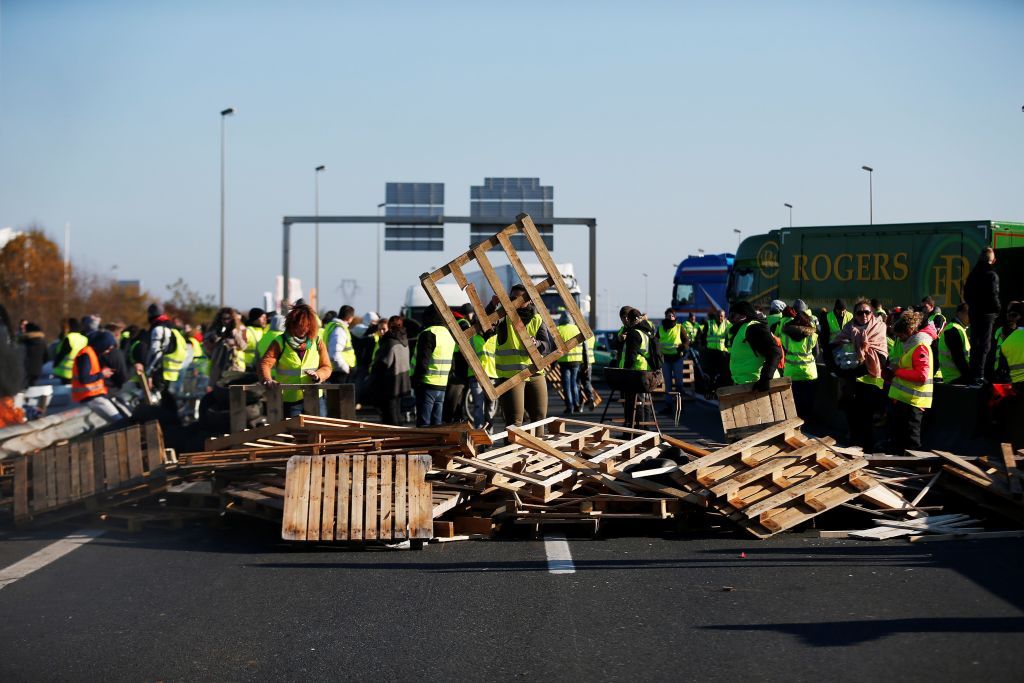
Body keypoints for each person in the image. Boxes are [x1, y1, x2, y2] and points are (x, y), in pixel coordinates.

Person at [488, 284, 555, 427]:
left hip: (536, 373)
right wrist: (492, 305)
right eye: (512, 298)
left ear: (529, 300)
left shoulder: (537, 319)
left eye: (520, 298)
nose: (515, 301)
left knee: (539, 417)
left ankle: (537, 448)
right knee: (515, 420)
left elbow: (547, 346)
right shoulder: (503, 316)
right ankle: (513, 449)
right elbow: (486, 324)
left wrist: (537, 343)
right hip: (512, 376)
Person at [831, 300, 889, 452]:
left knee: (867, 416)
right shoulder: (848, 328)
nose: (863, 315)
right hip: (850, 382)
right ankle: (853, 445)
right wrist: (844, 366)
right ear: (854, 314)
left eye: (867, 312)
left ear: (871, 314)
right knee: (851, 414)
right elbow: (835, 348)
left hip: (870, 381)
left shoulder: (879, 328)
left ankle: (867, 447)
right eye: (859, 312)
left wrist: (858, 365)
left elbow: (881, 356)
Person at [258, 304, 331, 417]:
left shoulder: (317, 342)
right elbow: (265, 363)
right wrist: (267, 379)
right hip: (290, 398)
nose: (303, 330)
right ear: (291, 324)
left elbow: (327, 367)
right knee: (295, 432)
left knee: (319, 429)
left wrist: (318, 375)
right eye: (299, 326)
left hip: (315, 395)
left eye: (306, 326)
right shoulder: (280, 341)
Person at [885, 310, 934, 453]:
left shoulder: (920, 347)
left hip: (913, 402)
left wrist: (897, 371)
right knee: (903, 439)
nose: (899, 339)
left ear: (909, 331)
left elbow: (922, 375)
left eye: (901, 335)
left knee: (912, 441)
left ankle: (914, 468)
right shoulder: (913, 346)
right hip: (907, 401)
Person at [411, 306, 456, 426]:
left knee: (424, 424)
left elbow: (423, 362)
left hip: (427, 383)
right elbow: (452, 363)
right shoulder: (449, 335)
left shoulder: (428, 333)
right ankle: (438, 445)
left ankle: (423, 444)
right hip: (442, 384)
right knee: (437, 424)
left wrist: (416, 381)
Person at [726, 301, 782, 392]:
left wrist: (765, 379)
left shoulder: (753, 328)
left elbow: (775, 352)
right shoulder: (742, 329)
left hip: (758, 387)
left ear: (743, 316)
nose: (729, 320)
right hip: (748, 386)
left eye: (732, 316)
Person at [963, 247, 1000, 385]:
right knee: (984, 345)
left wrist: (973, 305)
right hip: (987, 314)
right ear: (993, 260)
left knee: (975, 344)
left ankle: (973, 375)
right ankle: (980, 375)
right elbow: (993, 294)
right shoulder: (991, 275)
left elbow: (966, 294)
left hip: (974, 312)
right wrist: (997, 310)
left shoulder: (972, 274)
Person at [368, 316, 411, 426]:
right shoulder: (404, 340)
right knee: (397, 412)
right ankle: (399, 436)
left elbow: (383, 363)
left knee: (390, 414)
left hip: (389, 383)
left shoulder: (390, 342)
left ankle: (393, 437)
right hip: (402, 381)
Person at [618, 307, 654, 428]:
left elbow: (631, 355)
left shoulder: (634, 333)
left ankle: (636, 431)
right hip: (645, 369)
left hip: (635, 370)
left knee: (635, 402)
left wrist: (626, 371)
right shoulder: (646, 331)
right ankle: (646, 429)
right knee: (644, 401)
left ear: (631, 319)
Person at [141, 304, 189, 395]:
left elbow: (156, 353)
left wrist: (148, 374)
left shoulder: (159, 329)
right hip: (173, 375)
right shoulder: (173, 329)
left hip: (160, 374)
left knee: (155, 403)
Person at [779, 310, 818, 420]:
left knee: (794, 400)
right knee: (808, 399)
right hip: (808, 372)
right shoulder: (812, 336)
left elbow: (784, 351)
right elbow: (817, 353)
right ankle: (807, 421)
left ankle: (796, 421)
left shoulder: (785, 336)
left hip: (791, 372)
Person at [203, 307, 247, 386]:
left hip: (233, 365)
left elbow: (243, 346)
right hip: (218, 364)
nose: (225, 321)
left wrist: (235, 335)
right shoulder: (213, 330)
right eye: (223, 319)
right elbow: (206, 349)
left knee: (233, 387)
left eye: (228, 318)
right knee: (216, 387)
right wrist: (215, 340)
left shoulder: (239, 330)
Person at [442, 314, 472, 423]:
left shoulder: (457, 324)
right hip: (460, 360)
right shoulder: (464, 323)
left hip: (456, 360)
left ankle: (457, 416)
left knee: (456, 393)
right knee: (459, 393)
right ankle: (458, 416)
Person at [657, 308, 687, 413]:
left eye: (672, 316)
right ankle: (669, 405)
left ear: (675, 317)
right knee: (668, 384)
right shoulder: (660, 329)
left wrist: (682, 348)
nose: (670, 318)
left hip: (677, 359)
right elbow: (655, 342)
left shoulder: (679, 327)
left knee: (679, 383)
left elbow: (686, 341)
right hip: (666, 359)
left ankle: (680, 406)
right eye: (668, 316)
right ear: (665, 317)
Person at [554, 312, 584, 414]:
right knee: (574, 383)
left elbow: (554, 347)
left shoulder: (558, 329)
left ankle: (569, 406)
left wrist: (553, 363)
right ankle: (577, 405)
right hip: (576, 360)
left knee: (566, 385)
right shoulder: (576, 329)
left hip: (564, 361)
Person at [468, 328, 498, 429]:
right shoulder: (472, 338)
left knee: (490, 407)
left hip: (491, 376)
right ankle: (480, 435)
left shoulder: (495, 337)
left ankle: (489, 434)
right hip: (476, 376)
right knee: (478, 406)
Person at [937, 303, 971, 384]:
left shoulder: (955, 328)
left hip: (954, 379)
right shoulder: (954, 330)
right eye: (968, 314)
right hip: (956, 379)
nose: (971, 317)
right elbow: (959, 358)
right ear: (960, 314)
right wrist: (969, 377)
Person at [699, 308, 731, 392]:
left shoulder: (727, 324)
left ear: (724, 317)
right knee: (711, 373)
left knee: (723, 372)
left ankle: (720, 389)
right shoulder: (709, 324)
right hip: (711, 353)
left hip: (722, 353)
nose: (720, 317)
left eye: (721, 316)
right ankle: (710, 389)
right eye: (718, 316)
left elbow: (730, 337)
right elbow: (702, 338)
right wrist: (704, 348)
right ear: (715, 316)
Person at [324, 305, 357, 384]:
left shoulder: (333, 326)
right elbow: (334, 355)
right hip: (340, 372)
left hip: (336, 370)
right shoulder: (339, 330)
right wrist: (346, 368)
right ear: (350, 318)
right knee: (342, 396)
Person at [51, 318, 88, 384]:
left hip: (65, 372)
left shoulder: (69, 338)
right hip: (79, 371)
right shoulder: (84, 339)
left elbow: (62, 354)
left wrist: (55, 365)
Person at [19, 322, 47, 389]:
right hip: (37, 371)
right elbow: (47, 357)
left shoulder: (23, 341)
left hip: (24, 371)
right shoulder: (42, 342)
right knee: (34, 389)